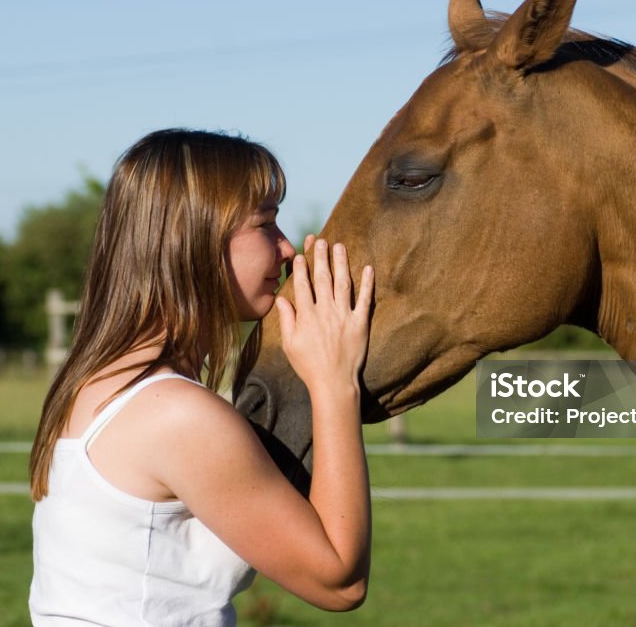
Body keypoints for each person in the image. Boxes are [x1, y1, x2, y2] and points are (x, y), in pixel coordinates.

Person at [28, 128, 375, 626]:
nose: (286, 249)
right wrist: (335, 383)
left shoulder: (94, 384)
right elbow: (339, 581)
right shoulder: (175, 413)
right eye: (265, 223)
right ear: (196, 236)